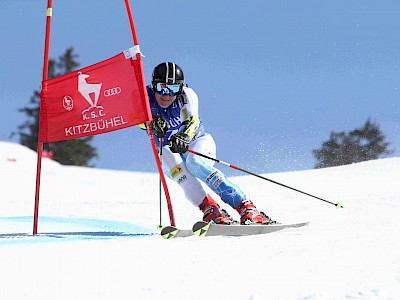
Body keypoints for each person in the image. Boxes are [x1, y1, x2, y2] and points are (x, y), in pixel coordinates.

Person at [143, 62, 273, 225]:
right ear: (153, 84)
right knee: (181, 175)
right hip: (166, 148)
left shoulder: (186, 95)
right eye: (161, 87)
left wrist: (183, 136)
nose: (166, 94)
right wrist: (149, 123)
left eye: (173, 88)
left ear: (181, 88)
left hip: (197, 142)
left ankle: (246, 207)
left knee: (195, 163)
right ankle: (211, 209)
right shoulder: (144, 98)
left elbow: (193, 121)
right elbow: (136, 119)